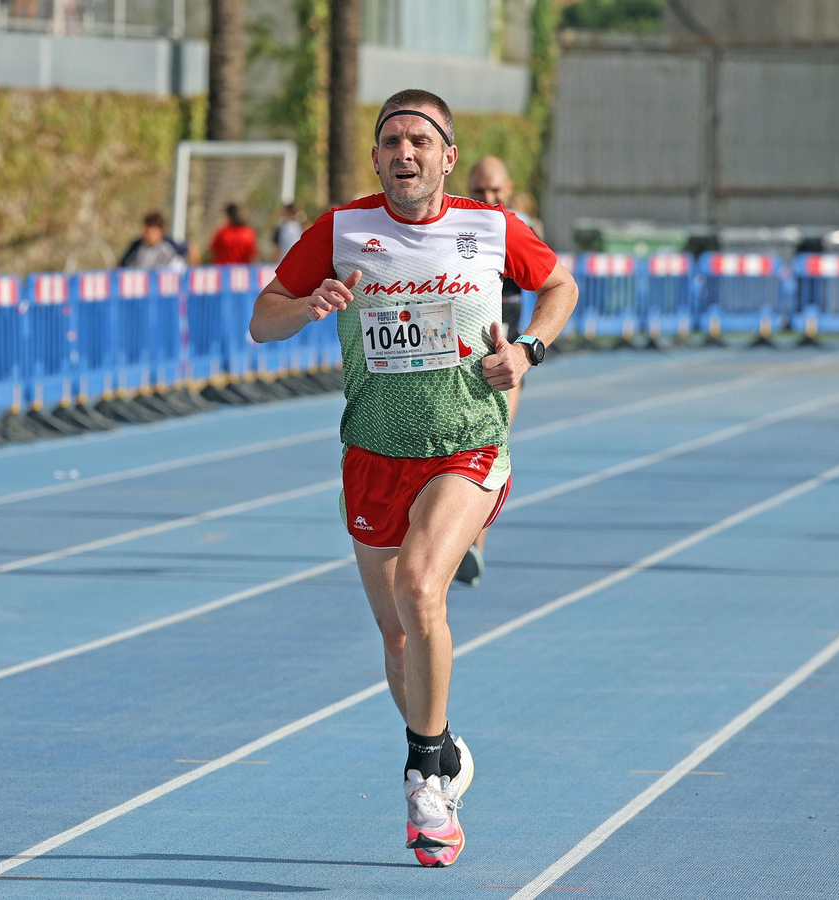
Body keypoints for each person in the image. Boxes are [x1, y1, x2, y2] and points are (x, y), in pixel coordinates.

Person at [247, 88, 578, 867]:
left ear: (446, 156)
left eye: (420, 142)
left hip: (465, 441)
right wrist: (309, 305)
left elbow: (559, 286)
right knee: (398, 636)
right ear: (376, 157)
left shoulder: (488, 226)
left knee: (423, 589)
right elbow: (263, 318)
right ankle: (445, 744)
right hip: (372, 449)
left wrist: (528, 349)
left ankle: (425, 776)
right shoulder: (341, 229)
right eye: (391, 141)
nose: (405, 154)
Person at [453, 155, 540, 586]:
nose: (488, 199)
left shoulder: (518, 229)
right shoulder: (452, 227)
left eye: (495, 192)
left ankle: (473, 543)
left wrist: (528, 348)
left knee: (493, 440)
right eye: (479, 191)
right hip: (453, 358)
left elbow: (555, 286)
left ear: (508, 190)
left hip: (504, 358)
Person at [118, 211, 188, 271]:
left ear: (160, 232)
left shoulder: (169, 244)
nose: (146, 234)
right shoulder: (137, 245)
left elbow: (191, 250)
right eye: (145, 231)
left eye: (150, 231)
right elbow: (121, 265)